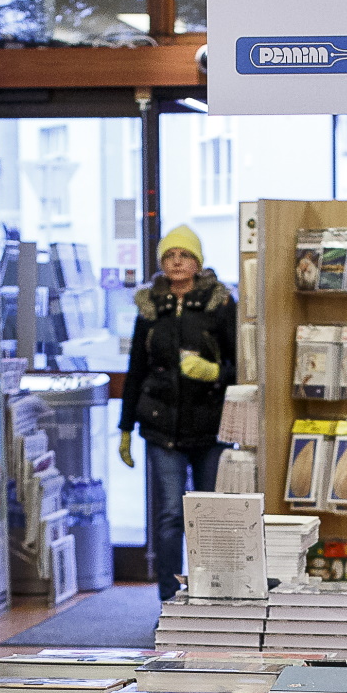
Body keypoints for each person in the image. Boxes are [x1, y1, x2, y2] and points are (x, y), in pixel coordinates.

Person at [117, 225, 238, 601]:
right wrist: (125, 428)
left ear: (198, 262)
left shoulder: (219, 304)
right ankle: (169, 600)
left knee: (209, 518)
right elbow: (136, 368)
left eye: (184, 255)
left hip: (211, 425)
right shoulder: (150, 308)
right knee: (170, 516)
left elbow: (242, 363)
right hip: (160, 427)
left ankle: (210, 597)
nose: (177, 262)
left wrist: (216, 372)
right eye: (169, 256)